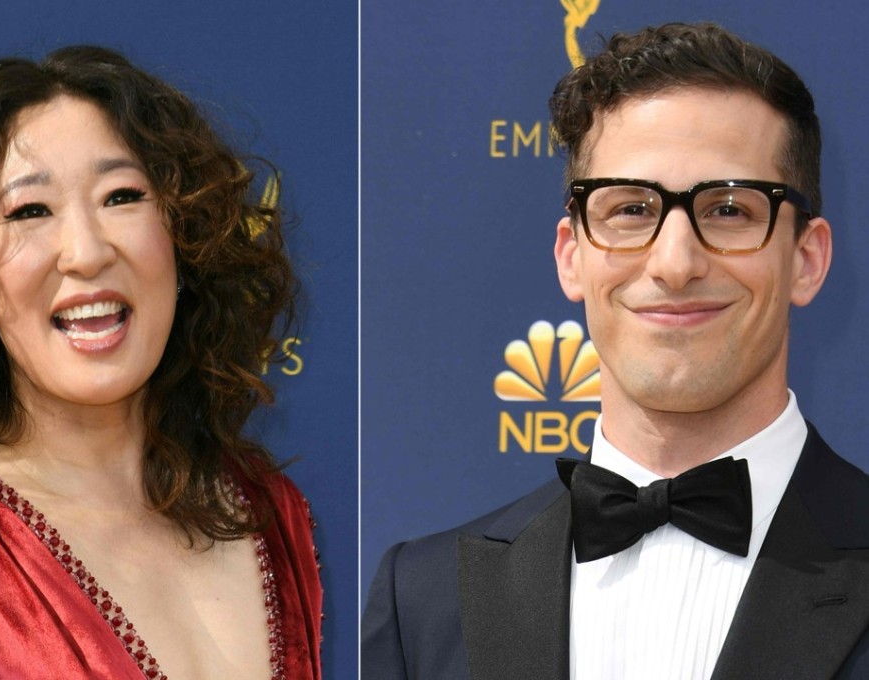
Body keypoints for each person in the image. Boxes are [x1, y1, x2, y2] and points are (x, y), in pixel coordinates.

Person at [362, 22, 869, 679]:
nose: (675, 262)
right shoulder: (423, 601)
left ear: (806, 259)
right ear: (572, 257)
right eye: (631, 209)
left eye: (729, 210)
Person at [0, 46, 321, 679]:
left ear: (182, 241)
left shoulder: (271, 510)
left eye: (121, 196)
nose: (87, 251)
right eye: (30, 211)